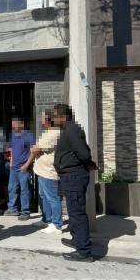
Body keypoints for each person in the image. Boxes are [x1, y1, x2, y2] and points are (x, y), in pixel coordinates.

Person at [52, 103, 96, 262]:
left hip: (74, 177)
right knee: (73, 212)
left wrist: (88, 163)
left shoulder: (71, 130)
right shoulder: (69, 129)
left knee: (77, 213)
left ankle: (84, 252)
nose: (53, 119)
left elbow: (83, 153)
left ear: (64, 116)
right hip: (70, 176)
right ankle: (77, 240)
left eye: (55, 116)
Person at [26, 110, 63, 234]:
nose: (41, 121)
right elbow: (36, 149)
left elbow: (35, 149)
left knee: (53, 198)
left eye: (42, 119)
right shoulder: (47, 132)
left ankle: (57, 224)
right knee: (43, 196)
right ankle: (47, 219)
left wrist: (35, 150)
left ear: (48, 120)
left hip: (49, 172)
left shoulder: (54, 133)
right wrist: (36, 149)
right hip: (42, 171)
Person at [5, 117, 35, 220]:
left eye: (15, 124)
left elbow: (33, 152)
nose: (13, 126)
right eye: (12, 124)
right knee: (12, 188)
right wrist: (11, 162)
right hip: (14, 168)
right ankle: (12, 209)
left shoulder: (28, 135)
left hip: (23, 168)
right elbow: (12, 148)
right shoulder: (13, 134)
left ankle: (25, 212)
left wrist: (26, 165)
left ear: (21, 124)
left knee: (24, 190)